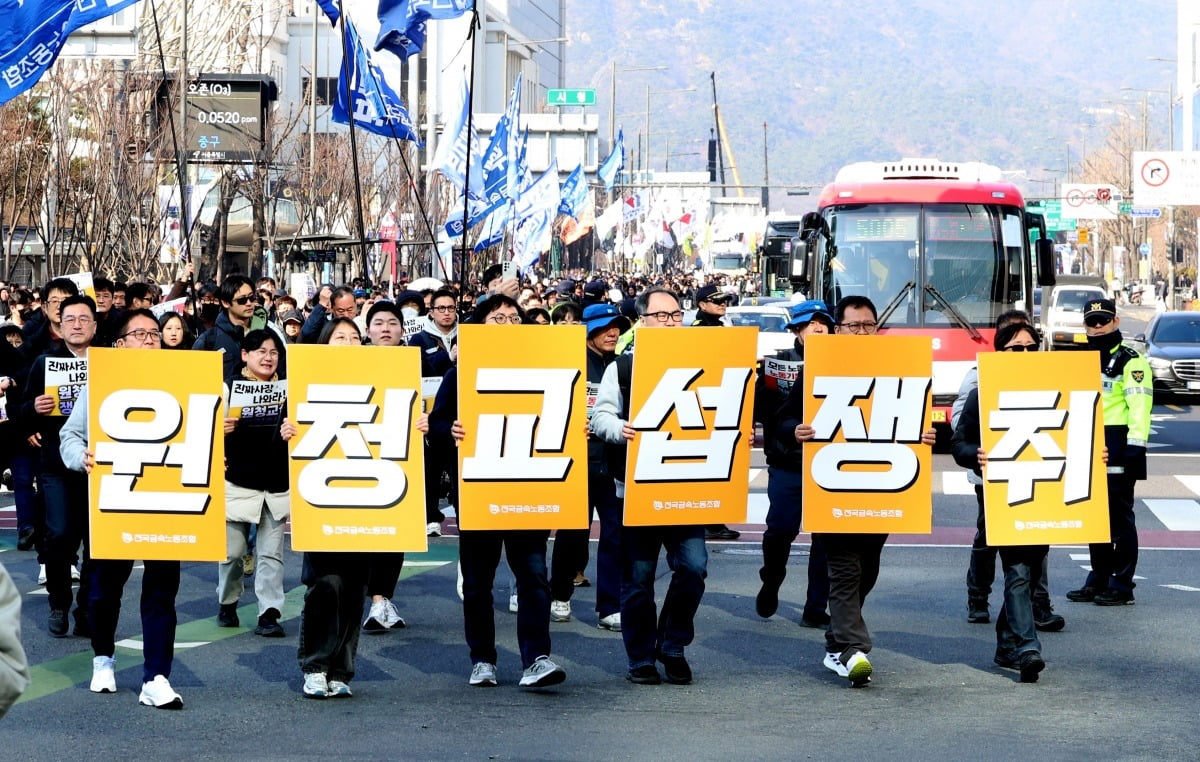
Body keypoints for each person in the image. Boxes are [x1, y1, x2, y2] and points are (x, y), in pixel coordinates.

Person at [779, 295, 937, 687]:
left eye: (869, 325)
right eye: (854, 326)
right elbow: (782, 421)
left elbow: (919, 417)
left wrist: (928, 434)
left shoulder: (896, 366)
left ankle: (836, 642)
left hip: (882, 488)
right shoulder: (817, 369)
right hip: (833, 487)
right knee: (845, 569)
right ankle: (853, 648)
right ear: (838, 329)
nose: (862, 332)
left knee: (867, 570)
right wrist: (794, 431)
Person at [433, 294, 567, 689]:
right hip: (478, 488)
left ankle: (537, 658)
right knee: (477, 582)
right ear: (479, 326)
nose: (507, 323)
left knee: (533, 576)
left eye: (513, 317)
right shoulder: (461, 373)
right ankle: (482, 659)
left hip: (528, 485)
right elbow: (438, 425)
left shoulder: (543, 368)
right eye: (497, 317)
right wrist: (450, 430)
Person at [59, 308, 185, 709]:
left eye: (155, 334)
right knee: (103, 589)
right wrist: (83, 458)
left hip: (168, 500)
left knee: (163, 588)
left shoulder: (184, 379)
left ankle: (156, 676)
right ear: (120, 343)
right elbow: (71, 435)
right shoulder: (100, 382)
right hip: (115, 499)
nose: (150, 340)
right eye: (140, 334)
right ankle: (103, 657)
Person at [591, 286, 707, 685]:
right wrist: (618, 429)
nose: (671, 322)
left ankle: (672, 643)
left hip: (688, 487)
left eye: (676, 315)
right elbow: (599, 416)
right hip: (635, 489)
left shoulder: (704, 364)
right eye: (662, 316)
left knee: (694, 568)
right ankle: (640, 657)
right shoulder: (621, 368)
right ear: (643, 322)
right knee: (638, 579)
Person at [950, 310, 1064, 631]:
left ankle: (1037, 605)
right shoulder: (978, 377)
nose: (1024, 352)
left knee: (1037, 537)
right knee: (989, 539)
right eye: (1015, 344)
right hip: (991, 475)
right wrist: (980, 455)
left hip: (1034, 473)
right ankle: (978, 596)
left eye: (1030, 345)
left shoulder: (1049, 379)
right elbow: (961, 426)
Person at [15, 294, 96, 638]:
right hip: (55, 465)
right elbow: (20, 415)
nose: (77, 325)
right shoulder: (44, 363)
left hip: (100, 465)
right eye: (70, 319)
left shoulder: (110, 362)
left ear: (95, 325)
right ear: (59, 325)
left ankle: (88, 607)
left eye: (84, 319)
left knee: (97, 544)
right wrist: (35, 409)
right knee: (60, 534)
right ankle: (59, 602)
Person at [548, 303, 630, 630]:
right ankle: (560, 594)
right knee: (572, 533)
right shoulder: (568, 363)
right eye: (604, 327)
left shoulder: (625, 366)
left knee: (615, 536)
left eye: (617, 327)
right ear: (587, 329)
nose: (612, 333)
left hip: (614, 466)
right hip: (577, 463)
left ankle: (609, 606)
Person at [1066, 298, 1152, 606]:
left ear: (1116, 321)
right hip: (1085, 444)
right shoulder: (1077, 360)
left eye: (1103, 321)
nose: (1098, 327)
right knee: (1094, 517)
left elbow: (1140, 409)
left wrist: (1134, 450)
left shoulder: (1131, 361)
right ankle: (1099, 577)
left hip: (1118, 444)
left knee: (1120, 518)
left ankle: (1122, 584)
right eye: (1092, 322)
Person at [754, 299, 832, 628]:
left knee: (827, 540)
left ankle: (816, 607)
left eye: (824, 323)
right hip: (787, 462)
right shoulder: (777, 363)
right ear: (797, 331)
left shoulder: (845, 362)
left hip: (830, 465)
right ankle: (771, 579)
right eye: (810, 324)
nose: (818, 328)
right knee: (781, 530)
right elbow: (764, 413)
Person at [217, 330, 290, 638]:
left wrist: (293, 430)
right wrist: (218, 429)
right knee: (232, 552)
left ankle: (269, 612)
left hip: (276, 483)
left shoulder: (290, 391)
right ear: (245, 355)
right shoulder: (227, 389)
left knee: (271, 553)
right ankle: (228, 600)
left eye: (273, 352)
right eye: (260, 351)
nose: (268, 357)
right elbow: (199, 429)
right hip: (237, 481)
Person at [359, 302, 410, 633]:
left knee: (395, 529)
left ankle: (381, 599)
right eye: (379, 323)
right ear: (368, 330)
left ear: (403, 330)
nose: (386, 328)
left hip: (402, 455)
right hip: (359, 454)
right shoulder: (350, 363)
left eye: (393, 322)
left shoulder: (418, 362)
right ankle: (370, 597)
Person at [690, 283, 740, 541]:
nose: (723, 304)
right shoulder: (699, 330)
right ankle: (706, 520)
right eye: (717, 300)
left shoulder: (720, 328)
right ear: (701, 304)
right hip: (702, 401)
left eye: (725, 300)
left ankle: (713, 518)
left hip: (721, 399)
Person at [408, 289, 459, 535]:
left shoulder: (468, 333)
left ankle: (463, 512)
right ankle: (430, 516)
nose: (447, 313)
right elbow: (421, 367)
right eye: (441, 308)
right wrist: (448, 357)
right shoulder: (419, 338)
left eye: (451, 308)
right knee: (431, 465)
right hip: (429, 407)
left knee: (457, 464)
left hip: (457, 408)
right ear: (432, 311)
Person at [194, 275, 258, 378]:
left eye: (252, 297)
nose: (249, 303)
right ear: (225, 302)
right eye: (242, 300)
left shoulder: (268, 335)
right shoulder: (208, 340)